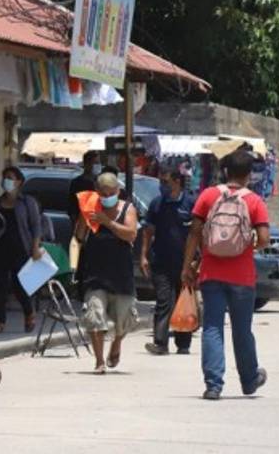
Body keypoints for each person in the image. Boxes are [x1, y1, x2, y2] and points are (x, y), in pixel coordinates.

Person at [182, 149, 270, 401]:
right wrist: (244, 245)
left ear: (226, 171)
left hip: (211, 272)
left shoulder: (208, 196)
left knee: (212, 327)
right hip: (242, 276)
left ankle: (213, 385)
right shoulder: (254, 201)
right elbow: (263, 239)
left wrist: (187, 266)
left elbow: (194, 233)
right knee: (242, 330)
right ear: (249, 175)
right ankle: (249, 380)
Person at [74, 172, 139, 374]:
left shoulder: (127, 208)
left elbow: (131, 233)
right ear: (97, 192)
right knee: (95, 316)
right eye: (103, 193)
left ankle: (117, 342)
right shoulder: (92, 207)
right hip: (95, 273)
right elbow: (79, 236)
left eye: (111, 192)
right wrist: (84, 217)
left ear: (118, 191)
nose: (107, 196)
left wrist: (107, 222)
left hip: (121, 274)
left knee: (125, 318)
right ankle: (99, 361)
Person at [140, 167, 196, 355]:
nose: (162, 186)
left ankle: (183, 344)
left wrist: (200, 260)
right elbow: (148, 231)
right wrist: (144, 255)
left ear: (177, 181)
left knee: (184, 302)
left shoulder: (190, 204)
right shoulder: (157, 204)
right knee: (163, 301)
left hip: (184, 263)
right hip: (161, 261)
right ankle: (160, 343)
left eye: (166, 182)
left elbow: (197, 233)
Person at [0, 167, 42, 334]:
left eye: (10, 178)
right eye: (4, 177)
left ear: (19, 181)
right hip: (0, 249)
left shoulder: (27, 202)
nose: (6, 181)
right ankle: (0, 321)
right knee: (0, 287)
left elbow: (35, 226)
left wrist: (35, 248)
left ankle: (29, 313)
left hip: (21, 249)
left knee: (20, 286)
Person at [67, 150, 101, 223]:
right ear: (87, 164)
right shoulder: (77, 183)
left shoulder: (101, 182)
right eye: (95, 163)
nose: (98, 166)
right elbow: (72, 206)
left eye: (98, 163)